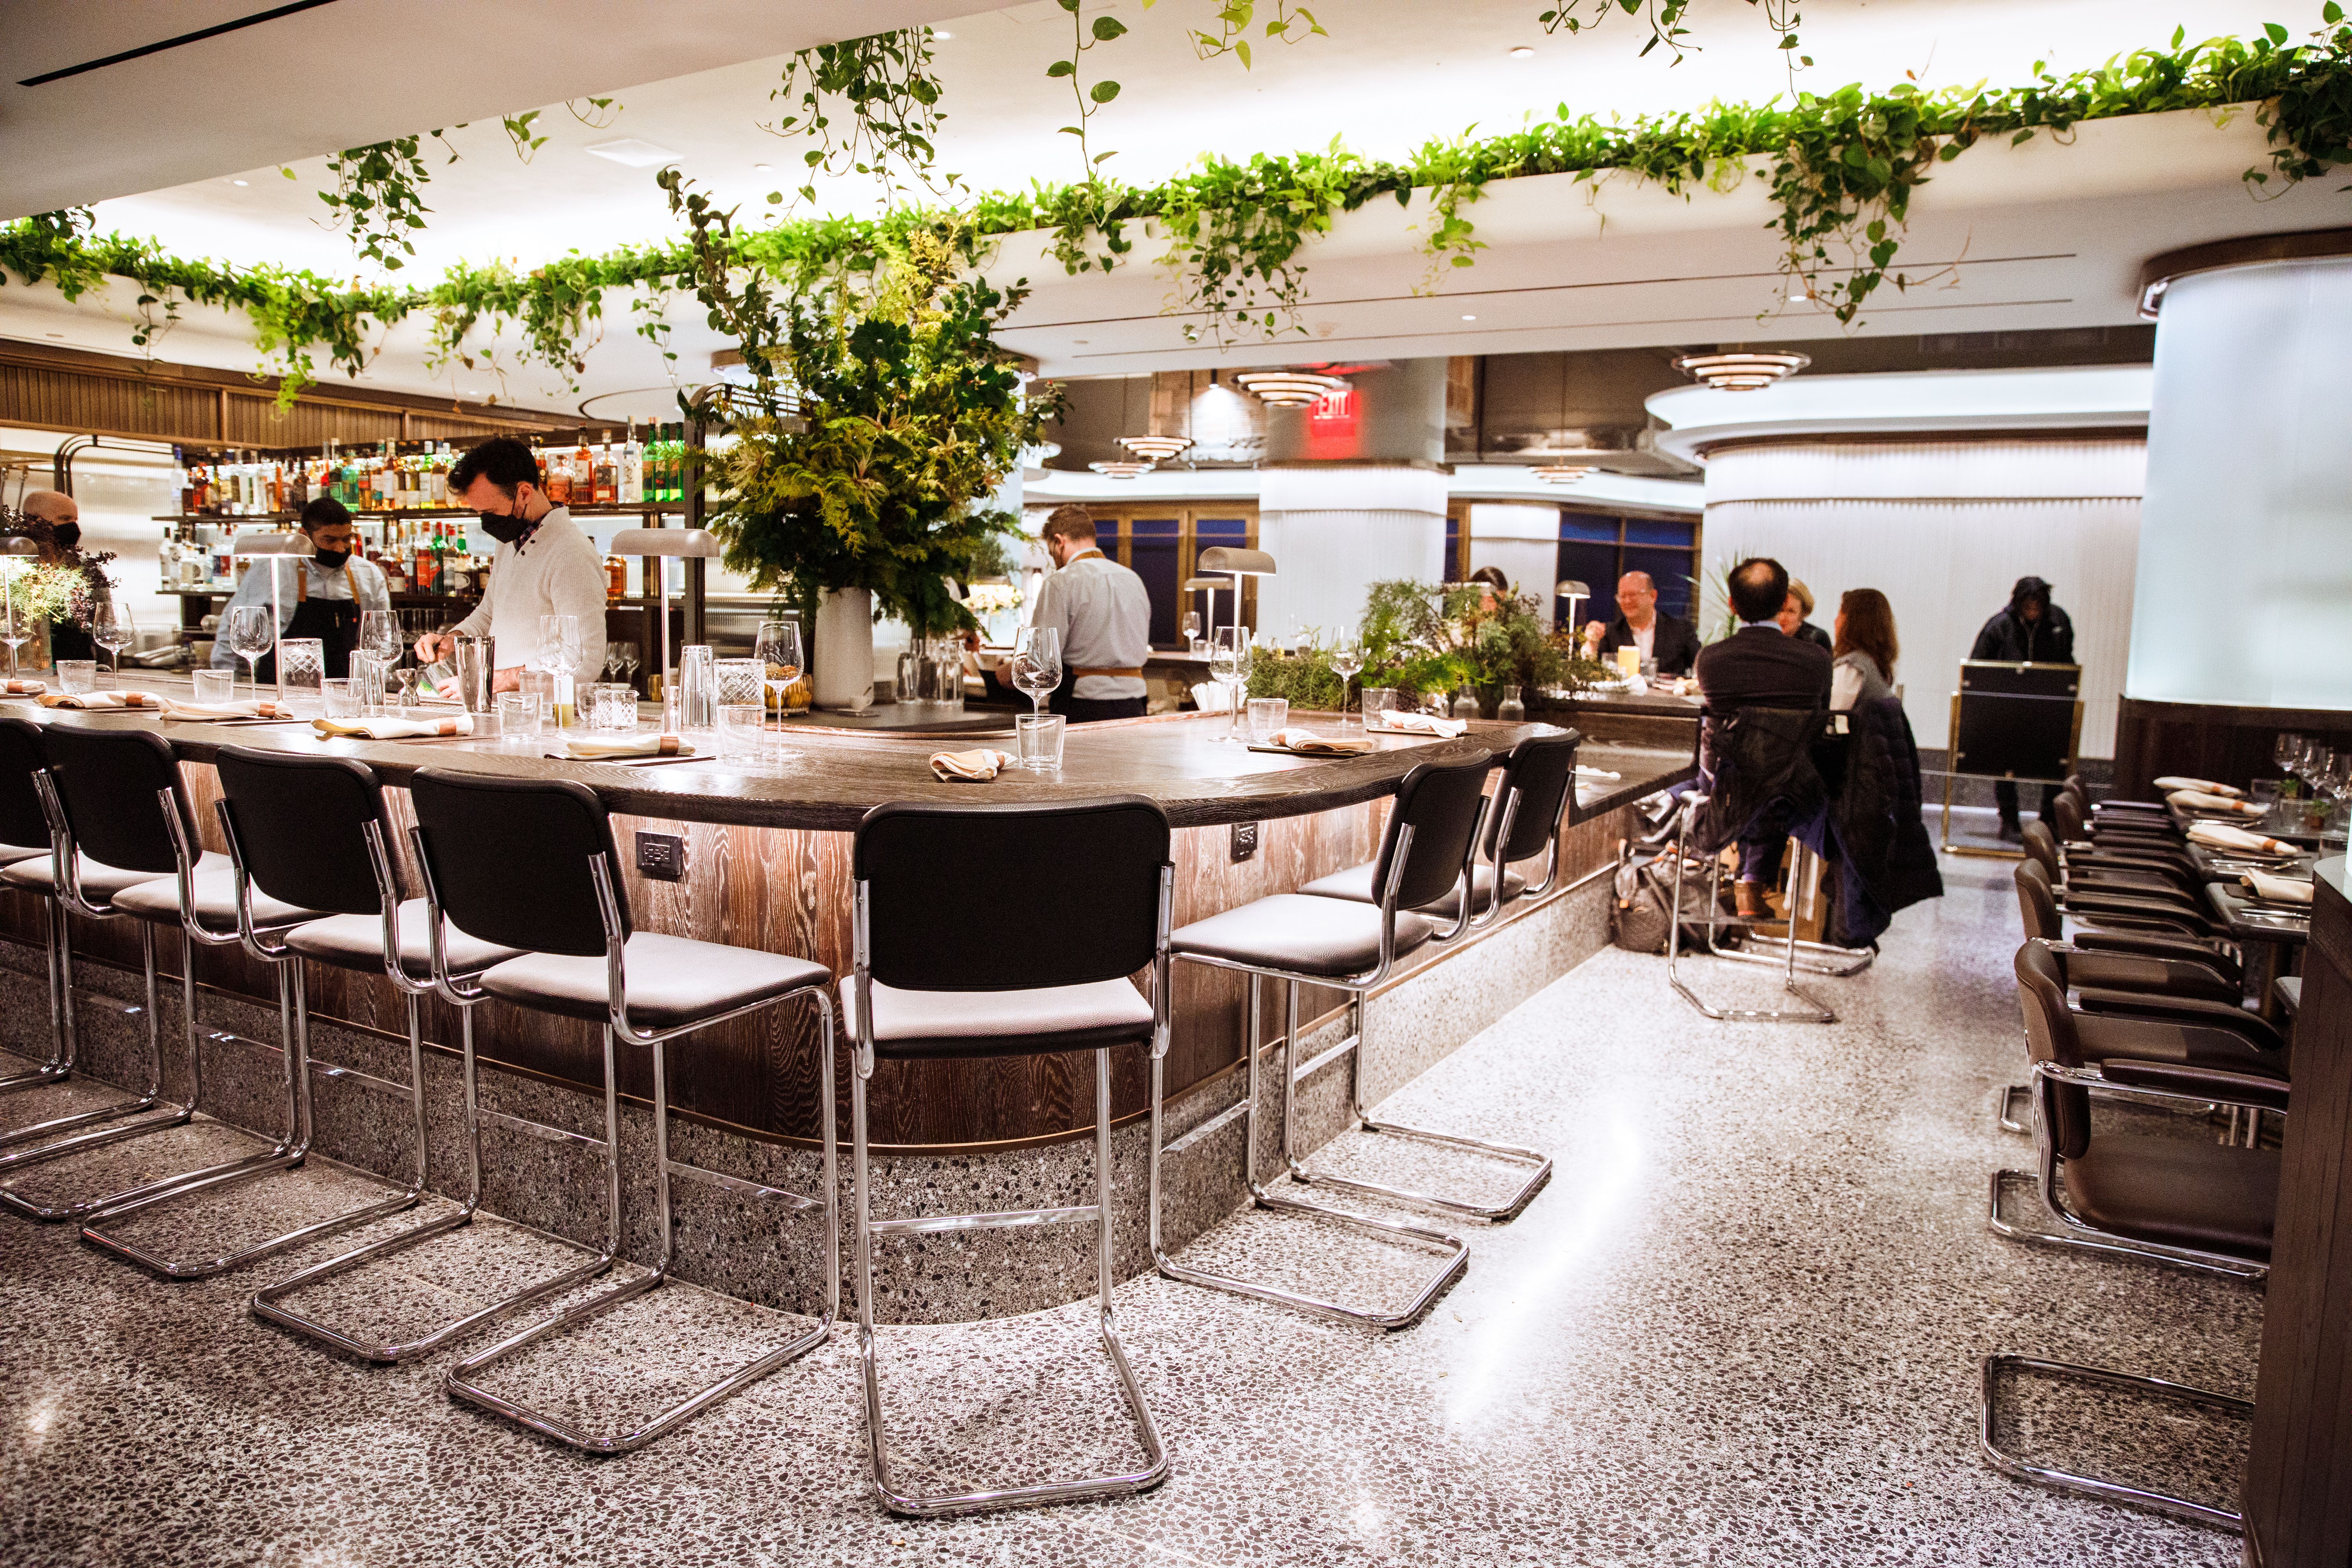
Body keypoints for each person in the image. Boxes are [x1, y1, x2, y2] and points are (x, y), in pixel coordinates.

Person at [1693, 557, 1833, 917]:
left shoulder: (1712, 660)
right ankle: (1752, 883)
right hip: (1795, 795)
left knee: (1688, 784)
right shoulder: (1816, 661)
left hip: (1727, 793)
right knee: (1771, 780)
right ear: (1783, 601)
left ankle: (1697, 868)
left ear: (1732, 604)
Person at [413, 435, 607, 693]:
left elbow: (584, 660)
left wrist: (494, 681)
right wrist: (452, 640)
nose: (486, 523)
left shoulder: (572, 553)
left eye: (490, 513)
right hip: (504, 709)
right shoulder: (509, 542)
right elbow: (489, 614)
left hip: (549, 713)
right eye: (480, 514)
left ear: (524, 493)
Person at [209, 495, 388, 681]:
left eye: (346, 539)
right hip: (277, 687)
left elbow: (381, 639)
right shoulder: (273, 569)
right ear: (304, 535)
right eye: (329, 540)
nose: (340, 549)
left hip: (342, 689)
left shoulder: (368, 575)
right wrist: (229, 684)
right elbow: (234, 630)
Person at [1020, 505, 1150, 723]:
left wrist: (1009, 671)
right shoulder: (1134, 579)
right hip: (1135, 701)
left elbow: (1041, 659)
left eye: (1052, 553)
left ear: (1059, 542)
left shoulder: (1060, 582)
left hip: (1082, 702)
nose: (1054, 561)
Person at [1970, 575, 2077, 839]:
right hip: (2007, 710)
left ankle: (2049, 820)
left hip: (2048, 708)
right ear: (2018, 603)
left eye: (2037, 605)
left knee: (2054, 762)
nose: (2032, 610)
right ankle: (2009, 820)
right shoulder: (2000, 626)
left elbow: (2067, 662)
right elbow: (1977, 666)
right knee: (2005, 763)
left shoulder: (2058, 623)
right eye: (2028, 605)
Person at [18, 490, 111, 666]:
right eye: (64, 519)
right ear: (35, 521)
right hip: (31, 669)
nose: (73, 527)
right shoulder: (14, 569)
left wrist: (105, 669)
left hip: (80, 668)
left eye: (75, 520)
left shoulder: (87, 569)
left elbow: (105, 627)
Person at [1585, 570, 1701, 677]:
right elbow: (1593, 671)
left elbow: (1700, 665)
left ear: (1653, 596)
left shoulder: (1681, 629)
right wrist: (1592, 644)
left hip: (1669, 693)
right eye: (1623, 596)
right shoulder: (1611, 633)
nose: (1627, 601)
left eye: (1633, 595)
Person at [1829, 588, 1900, 711]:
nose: (1835, 621)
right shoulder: (1878, 667)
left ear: (1852, 623)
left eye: (1840, 615)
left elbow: (1833, 715)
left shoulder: (1853, 667)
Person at [1777, 578, 1834, 652]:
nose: (1783, 618)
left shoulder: (1817, 639)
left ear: (1803, 614)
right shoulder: (1766, 635)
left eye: (1791, 611)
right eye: (1780, 610)